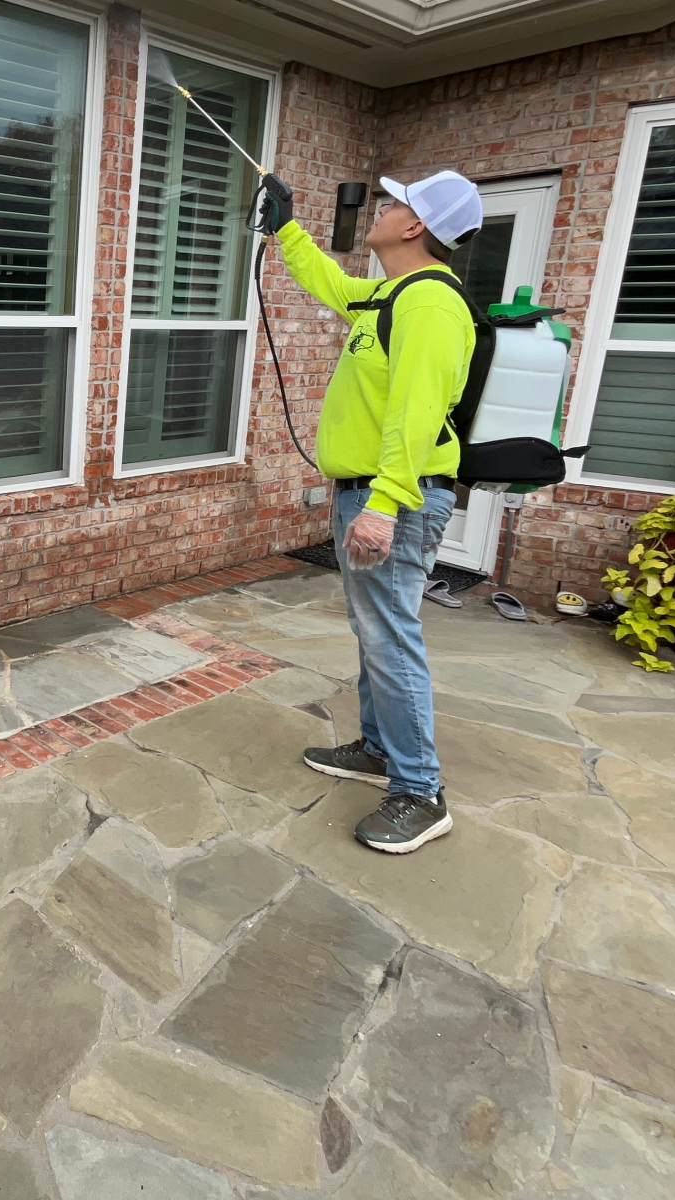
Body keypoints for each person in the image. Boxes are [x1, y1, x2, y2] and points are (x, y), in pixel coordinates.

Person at [274, 171, 482, 854]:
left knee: (391, 637)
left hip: (392, 496)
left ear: (416, 227)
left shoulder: (431, 305)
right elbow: (334, 285)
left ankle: (420, 791)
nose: (384, 208)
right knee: (374, 630)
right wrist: (285, 228)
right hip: (365, 492)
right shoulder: (391, 293)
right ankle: (378, 749)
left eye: (397, 203)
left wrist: (385, 505)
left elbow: (416, 416)